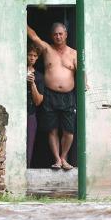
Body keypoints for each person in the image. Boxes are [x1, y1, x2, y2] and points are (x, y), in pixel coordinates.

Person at [27, 23, 76, 170]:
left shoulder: (74, 53)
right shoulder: (47, 49)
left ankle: (64, 158)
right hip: (50, 95)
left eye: (61, 34)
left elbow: (82, 71)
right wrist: (21, 17)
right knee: (52, 129)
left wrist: (85, 83)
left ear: (66, 34)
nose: (58, 36)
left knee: (69, 130)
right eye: (55, 34)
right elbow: (34, 37)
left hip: (68, 96)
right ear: (52, 36)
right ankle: (57, 159)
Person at [27, 44, 44, 168]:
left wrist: (32, 83)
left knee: (29, 145)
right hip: (17, 113)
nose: (32, 58)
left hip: (31, 113)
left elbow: (38, 101)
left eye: (34, 56)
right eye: (29, 55)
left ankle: (26, 168)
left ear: (37, 58)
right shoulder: (17, 71)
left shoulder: (39, 76)